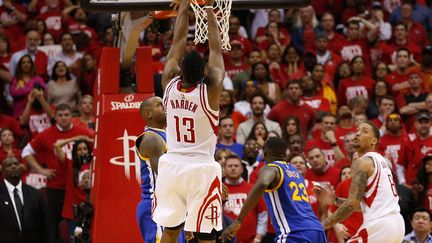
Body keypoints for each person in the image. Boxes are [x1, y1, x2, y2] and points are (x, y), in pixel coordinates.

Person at [153, 0, 225, 241]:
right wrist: (208, 10)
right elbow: (215, 51)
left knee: (170, 231)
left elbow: (178, 42)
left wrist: (184, 5)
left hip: (171, 165)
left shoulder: (169, 84)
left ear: (179, 70)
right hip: (201, 168)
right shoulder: (211, 89)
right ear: (205, 73)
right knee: (206, 235)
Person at [221, 138, 326, 242]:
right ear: (285, 154)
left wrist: (239, 220)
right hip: (317, 230)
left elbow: (262, 183)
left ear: (265, 153)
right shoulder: (295, 171)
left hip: (294, 232)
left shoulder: (271, 167)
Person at [317, 122, 405, 242]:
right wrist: (335, 200)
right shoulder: (381, 161)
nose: (357, 133)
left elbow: (351, 204)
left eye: (364, 131)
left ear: (374, 141)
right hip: (397, 225)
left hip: (380, 225)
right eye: (357, 130)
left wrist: (321, 226)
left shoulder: (363, 162)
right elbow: (365, 205)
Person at [135, 96, 185, 243]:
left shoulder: (168, 136)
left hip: (171, 204)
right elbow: (165, 177)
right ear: (148, 114)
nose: (166, 108)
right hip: (156, 205)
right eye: (160, 105)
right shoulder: (151, 138)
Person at [0, 157, 54, 243]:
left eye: (16, 164)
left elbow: (46, 225)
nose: (13, 166)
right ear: (3, 171)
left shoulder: (36, 194)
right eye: (8, 165)